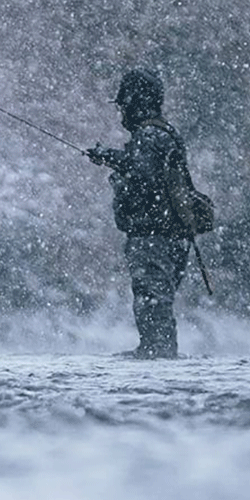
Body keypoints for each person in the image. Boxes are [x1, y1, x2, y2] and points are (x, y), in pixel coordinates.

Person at [86, 68, 191, 359]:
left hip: (153, 237)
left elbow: (142, 174)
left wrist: (109, 158)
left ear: (135, 102)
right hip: (171, 237)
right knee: (156, 298)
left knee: (151, 298)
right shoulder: (165, 133)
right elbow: (145, 170)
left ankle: (157, 355)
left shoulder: (149, 136)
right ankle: (156, 351)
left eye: (123, 105)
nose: (121, 112)